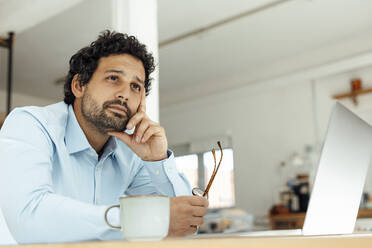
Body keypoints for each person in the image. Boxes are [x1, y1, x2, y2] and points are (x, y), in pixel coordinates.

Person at [0, 31, 208, 244]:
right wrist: (138, 221)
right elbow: (29, 216)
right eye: (113, 78)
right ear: (79, 85)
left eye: (135, 86)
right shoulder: (30, 124)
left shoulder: (132, 151)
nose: (125, 94)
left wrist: (157, 159)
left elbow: (184, 225)